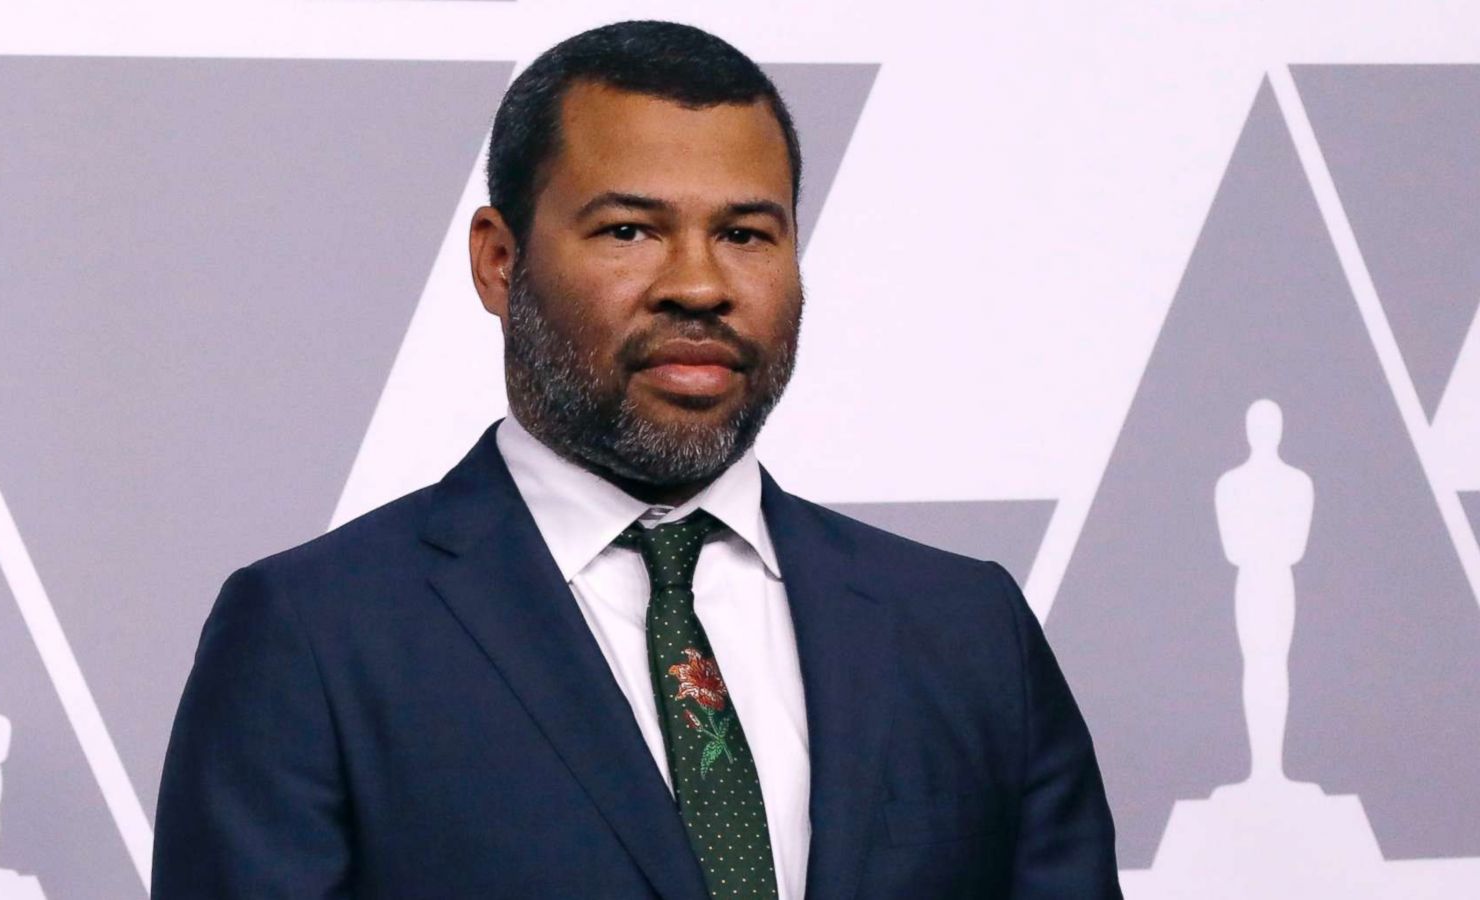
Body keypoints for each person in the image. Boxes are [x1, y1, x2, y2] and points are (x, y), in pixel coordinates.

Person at [152, 19, 1121, 899]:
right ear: (499, 261)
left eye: (744, 234)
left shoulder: (963, 629)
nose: (698, 284)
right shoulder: (317, 636)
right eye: (629, 230)